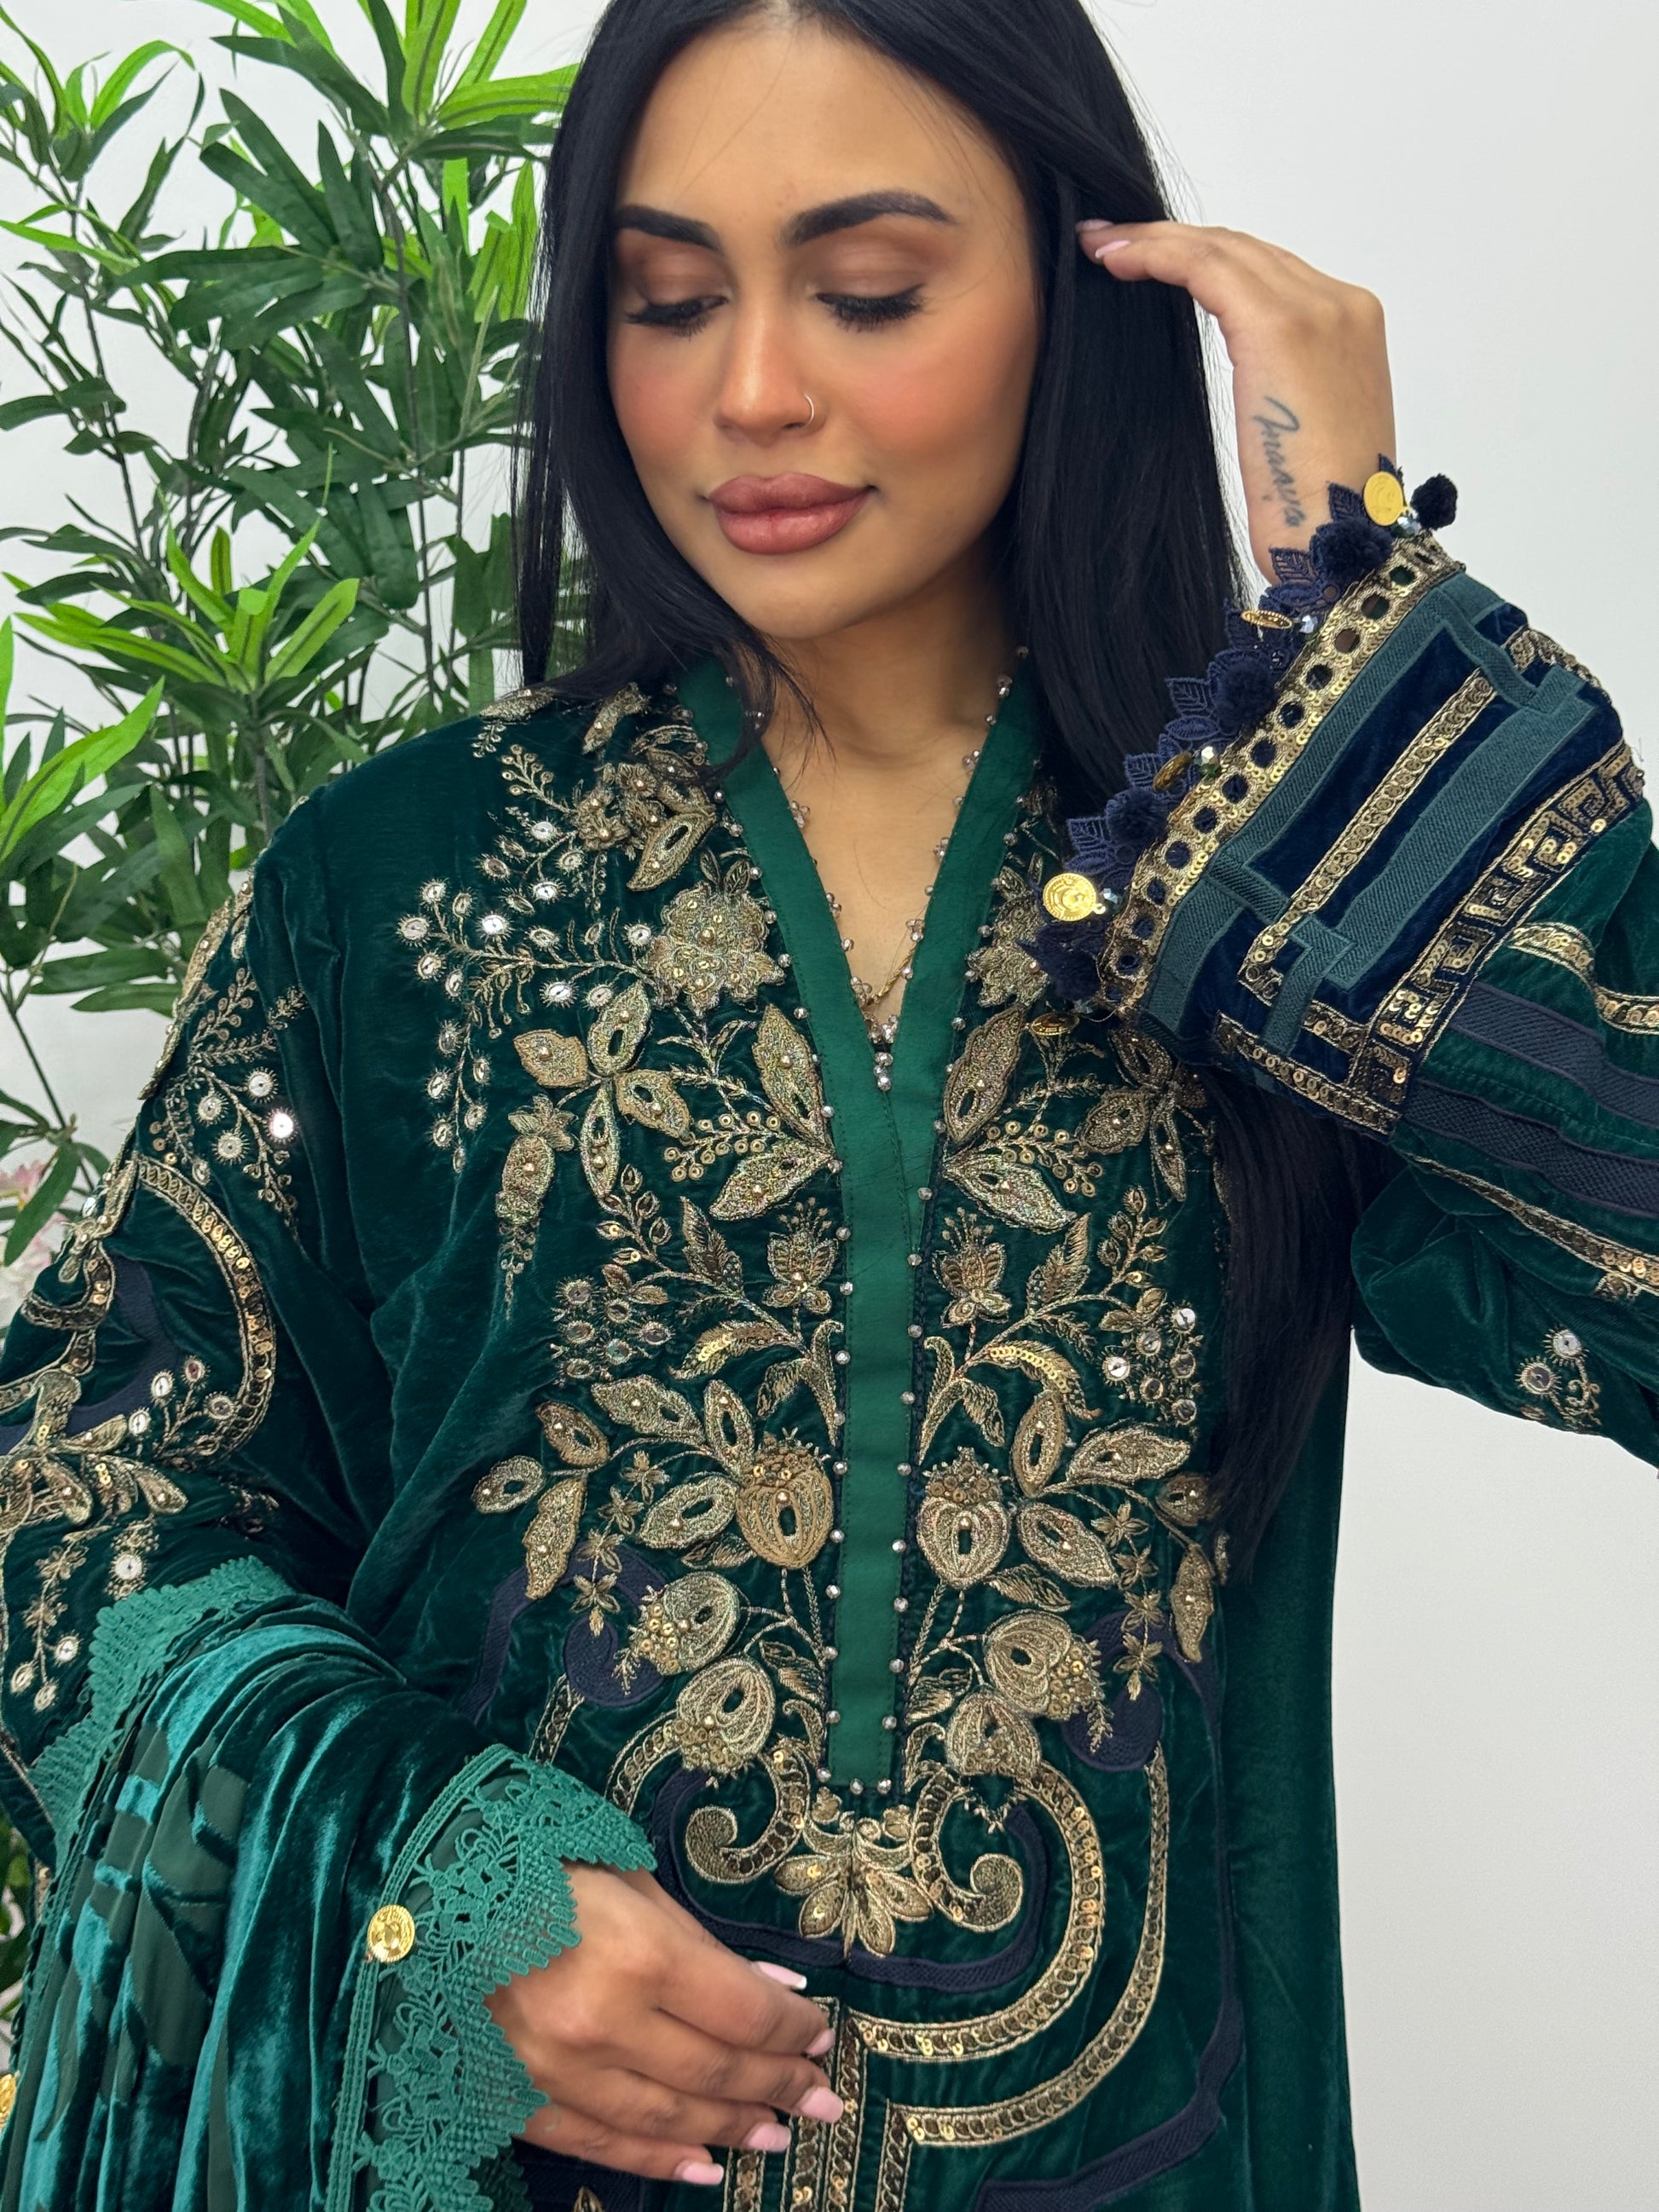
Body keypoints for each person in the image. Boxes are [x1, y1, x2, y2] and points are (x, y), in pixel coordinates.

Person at [0, 0, 1651, 2206]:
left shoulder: (1269, 918)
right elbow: (72, 1507)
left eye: (867, 290)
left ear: (1075, 291)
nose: (754, 390)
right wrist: (422, 1891)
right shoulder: (403, 889)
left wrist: (1356, 650)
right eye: (667, 300)